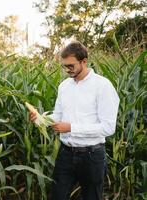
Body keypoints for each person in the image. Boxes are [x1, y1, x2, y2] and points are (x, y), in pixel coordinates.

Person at [30, 41, 120, 200]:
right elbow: (58, 116)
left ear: (84, 61)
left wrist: (71, 128)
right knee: (57, 196)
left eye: (70, 66)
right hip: (66, 153)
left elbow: (108, 127)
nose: (66, 70)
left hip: (92, 156)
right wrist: (40, 119)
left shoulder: (102, 86)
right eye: (64, 66)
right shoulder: (64, 86)